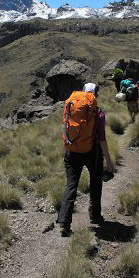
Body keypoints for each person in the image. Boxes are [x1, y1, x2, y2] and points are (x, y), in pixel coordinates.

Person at [57, 82, 116, 237]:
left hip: (71, 150)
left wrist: (68, 148)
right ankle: (95, 216)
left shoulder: (71, 106)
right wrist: (108, 161)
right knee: (95, 183)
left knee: (71, 185)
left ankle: (64, 222)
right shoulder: (98, 113)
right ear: (95, 95)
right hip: (92, 152)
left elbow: (66, 128)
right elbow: (102, 139)